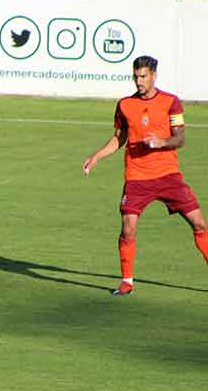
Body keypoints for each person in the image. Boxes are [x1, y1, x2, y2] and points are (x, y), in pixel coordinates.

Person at [83, 55, 208, 296]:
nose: (138, 82)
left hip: (168, 176)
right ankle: (127, 282)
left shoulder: (171, 102)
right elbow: (120, 138)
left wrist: (162, 142)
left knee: (200, 223)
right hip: (137, 178)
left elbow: (180, 138)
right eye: (135, 76)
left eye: (143, 77)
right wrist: (97, 156)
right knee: (128, 229)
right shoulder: (125, 105)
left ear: (153, 76)